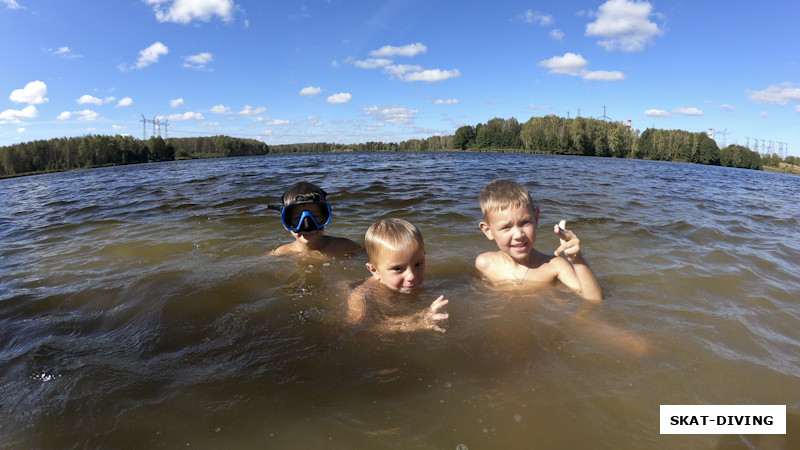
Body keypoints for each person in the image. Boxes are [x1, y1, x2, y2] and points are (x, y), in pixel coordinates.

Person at [475, 179, 604, 303]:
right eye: (506, 227)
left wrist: (578, 260)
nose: (518, 235)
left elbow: (594, 300)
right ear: (488, 231)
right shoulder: (485, 264)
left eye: (525, 222)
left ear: (536, 218)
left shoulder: (555, 266)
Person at [346, 218, 449, 332]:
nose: (412, 276)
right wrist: (418, 322)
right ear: (374, 270)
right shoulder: (361, 296)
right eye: (398, 269)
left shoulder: (411, 283)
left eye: (418, 264)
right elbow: (360, 326)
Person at [269, 181, 363, 257]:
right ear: (286, 222)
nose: (307, 225)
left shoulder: (345, 246)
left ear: (325, 216)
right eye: (298, 218)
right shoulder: (281, 253)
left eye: (316, 217)